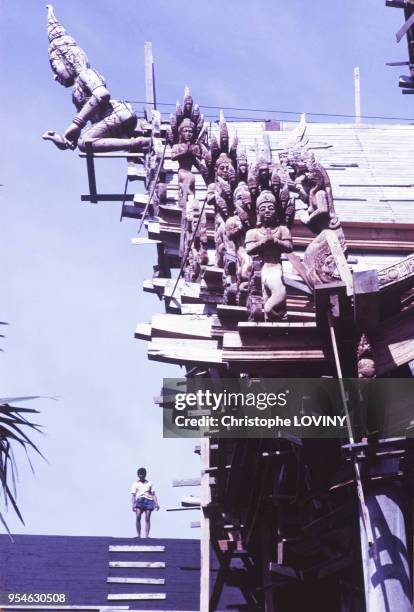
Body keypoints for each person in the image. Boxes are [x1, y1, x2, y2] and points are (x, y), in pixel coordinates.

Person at [130, 467, 159, 538]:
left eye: (142, 474)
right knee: (138, 516)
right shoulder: (135, 484)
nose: (141, 476)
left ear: (145, 475)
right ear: (138, 475)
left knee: (147, 518)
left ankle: (147, 535)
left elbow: (153, 494)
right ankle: (138, 535)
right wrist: (133, 505)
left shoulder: (150, 483)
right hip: (139, 500)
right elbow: (133, 495)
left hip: (148, 500)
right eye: (139, 474)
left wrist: (156, 504)